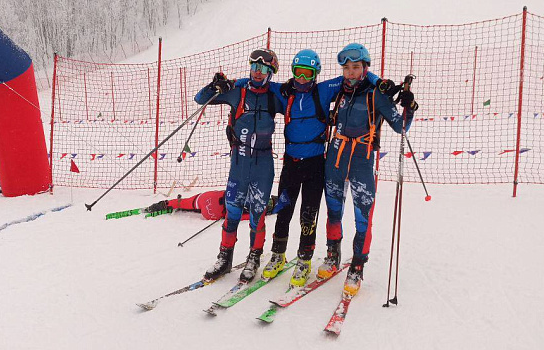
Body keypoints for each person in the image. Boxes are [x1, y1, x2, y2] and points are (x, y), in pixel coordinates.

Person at [238, 49, 381, 288]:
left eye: (307, 73)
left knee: (309, 213)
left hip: (316, 164)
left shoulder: (324, 90)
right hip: (291, 162)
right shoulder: (285, 93)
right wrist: (232, 83)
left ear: (315, 73)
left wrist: (379, 82)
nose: (302, 79)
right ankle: (278, 254)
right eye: (298, 73)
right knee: (284, 209)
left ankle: (304, 258)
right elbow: (255, 81)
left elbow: (357, 77)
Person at [319, 43, 417, 296]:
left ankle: (357, 266)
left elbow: (401, 126)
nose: (350, 73)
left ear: (364, 68)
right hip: (335, 159)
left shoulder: (377, 94)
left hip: (362, 160)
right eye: (346, 68)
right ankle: (333, 254)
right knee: (333, 210)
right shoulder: (338, 91)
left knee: (363, 217)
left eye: (356, 67)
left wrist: (410, 105)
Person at [193, 48, 285, 283]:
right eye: (254, 66)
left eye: (263, 68)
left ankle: (254, 257)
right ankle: (225, 257)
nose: (257, 72)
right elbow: (200, 99)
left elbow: (301, 103)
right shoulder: (238, 91)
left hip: (263, 164)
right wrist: (217, 86)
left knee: (257, 213)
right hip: (239, 163)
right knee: (232, 212)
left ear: (271, 71)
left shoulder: (274, 95)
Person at [144, 190, 281, 221]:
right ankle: (174, 205)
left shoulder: (245, 193)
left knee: (188, 203)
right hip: (214, 213)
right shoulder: (250, 207)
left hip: (207, 199)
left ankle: (166, 205)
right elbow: (244, 218)